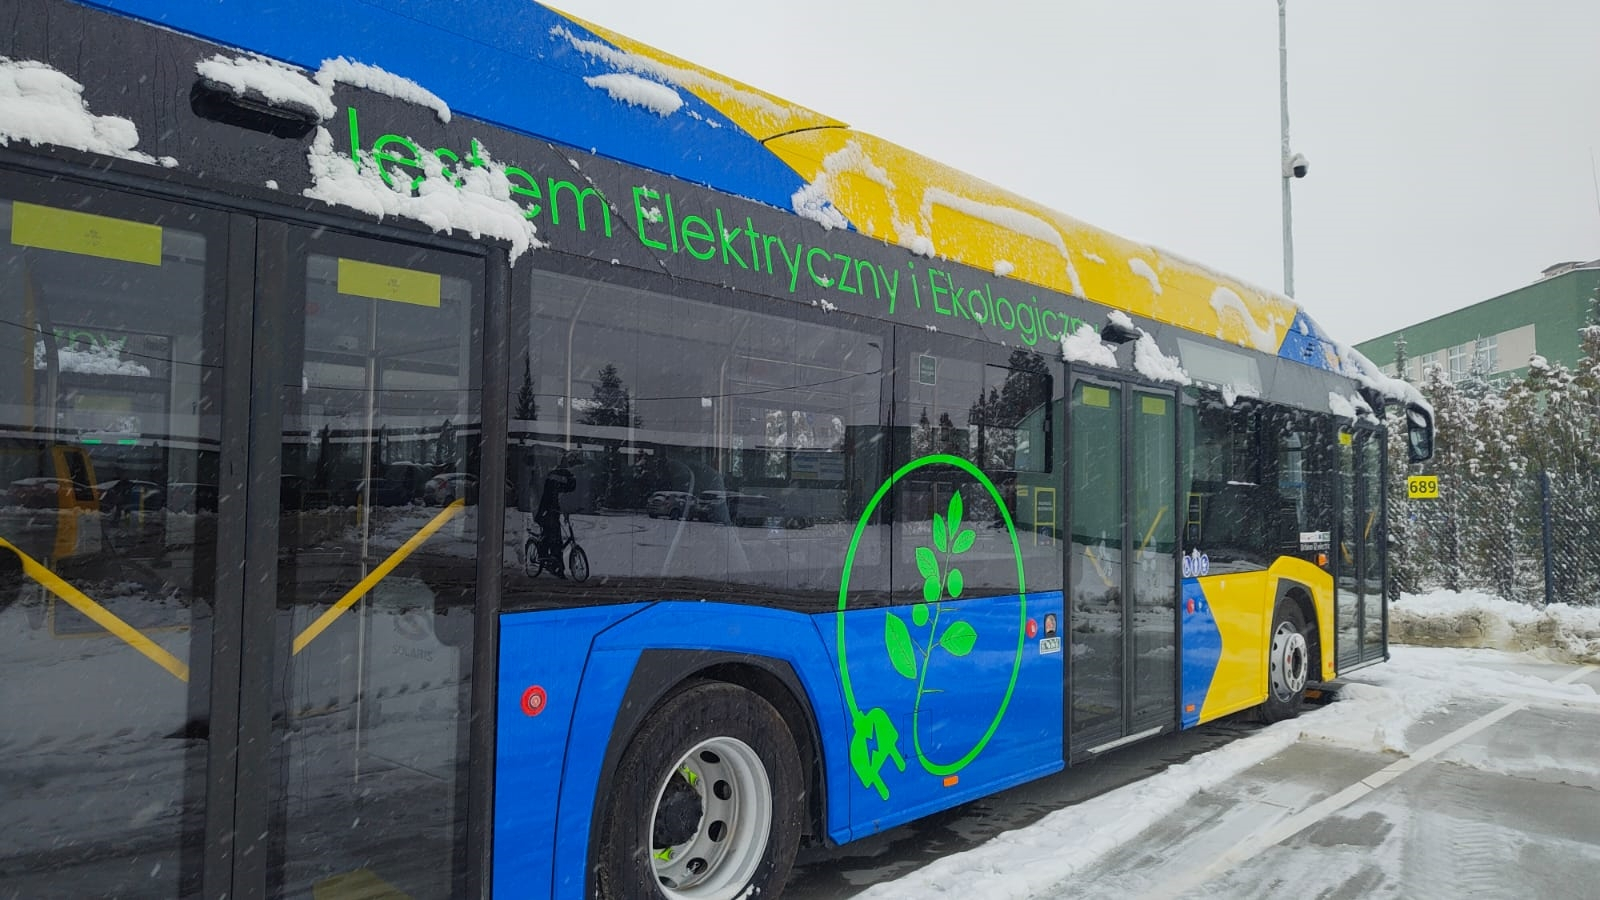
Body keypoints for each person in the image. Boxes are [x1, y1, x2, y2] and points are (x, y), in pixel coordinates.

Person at [535, 455, 577, 577]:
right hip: (549, 512)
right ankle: (555, 566)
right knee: (555, 539)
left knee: (553, 538)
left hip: (550, 511)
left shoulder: (553, 475)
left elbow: (563, 490)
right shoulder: (555, 476)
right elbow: (560, 491)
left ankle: (554, 565)